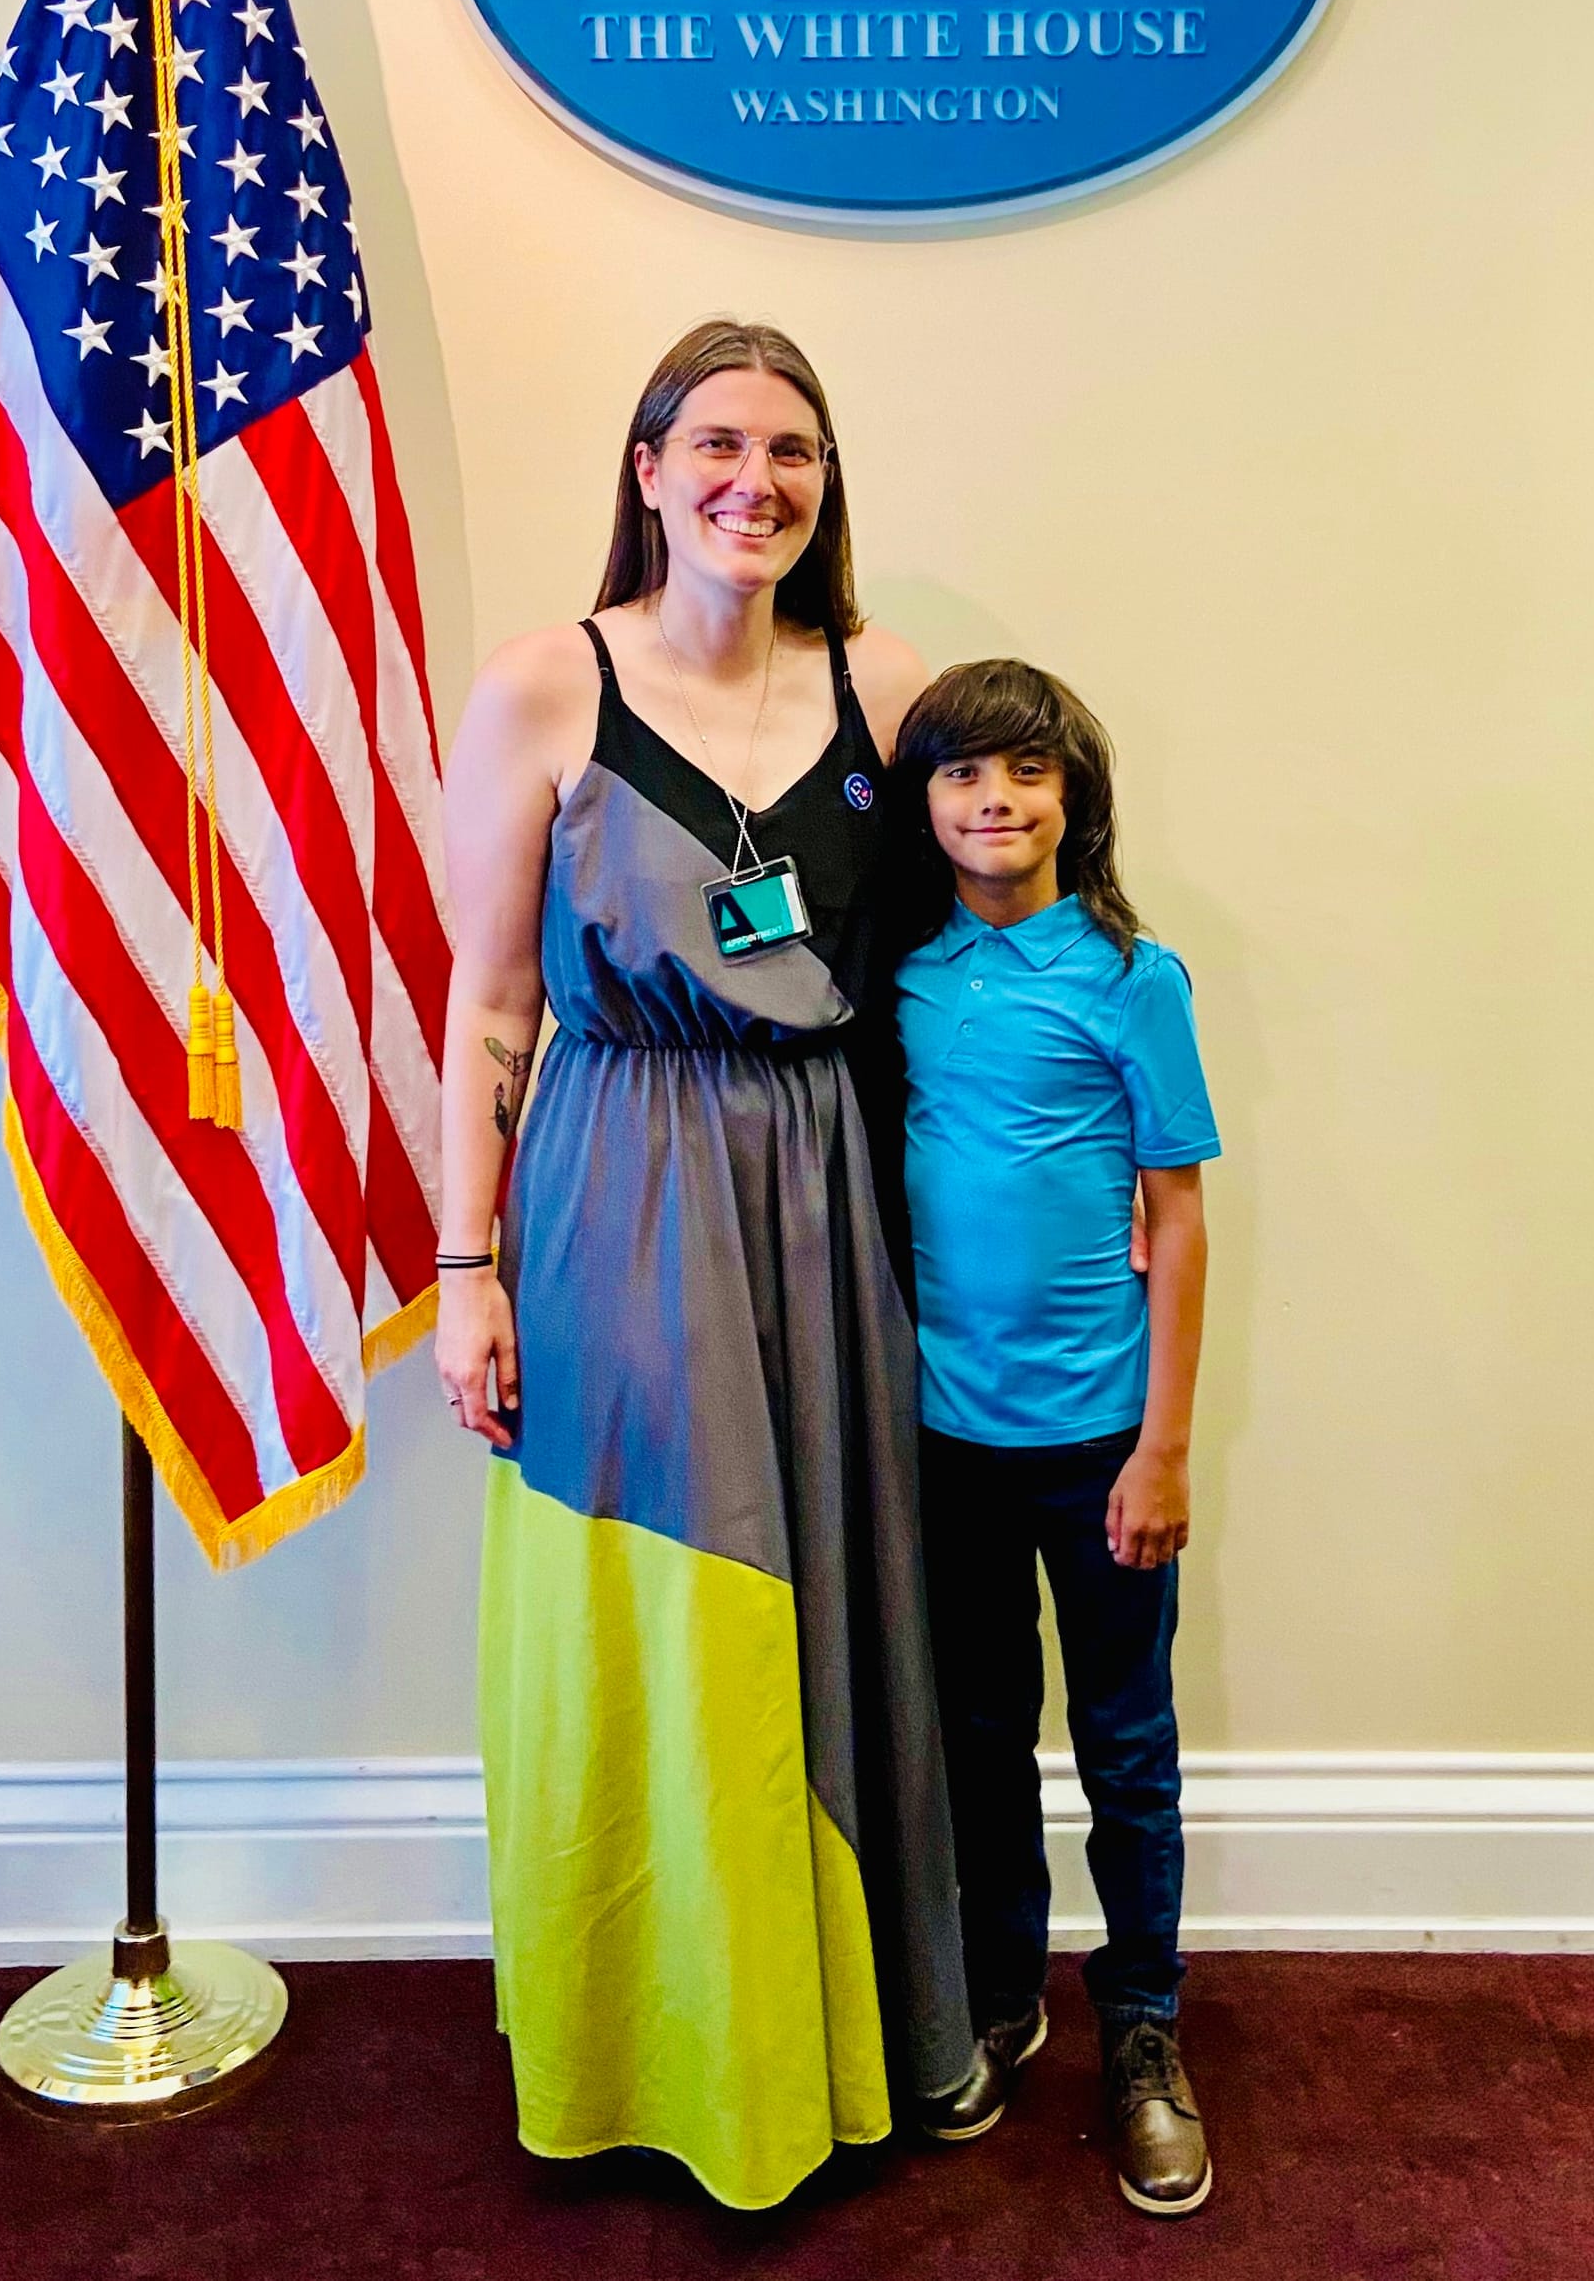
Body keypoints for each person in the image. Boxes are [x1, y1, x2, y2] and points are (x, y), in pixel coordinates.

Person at [433, 319, 975, 2211]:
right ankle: (644, 2040)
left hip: (831, 1187)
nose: (759, 479)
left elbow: (982, 944)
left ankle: (843, 2036)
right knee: (657, 1615)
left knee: (835, 1593)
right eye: (720, 443)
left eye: (797, 451)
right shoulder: (543, 690)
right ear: (648, 468)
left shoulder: (887, 684)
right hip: (617, 1185)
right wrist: (463, 1266)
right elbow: (488, 999)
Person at [891, 658, 1221, 2215]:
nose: (995, 801)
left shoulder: (1132, 976)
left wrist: (1161, 1449)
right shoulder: (900, 975)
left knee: (1126, 1745)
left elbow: (1181, 1216)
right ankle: (1002, 1992)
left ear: (1073, 797)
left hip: (1100, 1444)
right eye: (963, 775)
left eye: (1026, 774)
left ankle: (1144, 2027)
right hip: (944, 1444)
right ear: (927, 803)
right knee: (975, 1734)